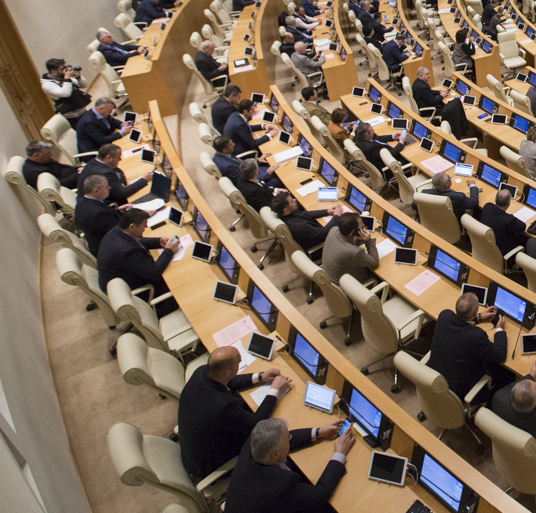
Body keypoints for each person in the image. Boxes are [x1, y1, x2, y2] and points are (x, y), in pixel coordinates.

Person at [177, 346, 295, 479]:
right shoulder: (223, 407)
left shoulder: (202, 372)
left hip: (195, 444)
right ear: (227, 372)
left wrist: (260, 376)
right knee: (275, 436)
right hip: (210, 464)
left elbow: (228, 381)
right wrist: (274, 390)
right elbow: (257, 423)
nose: (240, 361)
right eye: (238, 361)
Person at [224, 417, 353, 513]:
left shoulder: (253, 444)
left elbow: (281, 440)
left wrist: (318, 432)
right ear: (275, 455)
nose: (291, 437)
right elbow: (319, 494)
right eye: (287, 437)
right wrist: (339, 454)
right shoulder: (280, 486)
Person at [96, 209, 179, 315]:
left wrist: (158, 242)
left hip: (120, 278)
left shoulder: (118, 231)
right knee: (176, 280)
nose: (146, 227)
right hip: (135, 290)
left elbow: (137, 241)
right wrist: (169, 251)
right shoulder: (126, 251)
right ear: (132, 227)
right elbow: (154, 271)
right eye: (144, 224)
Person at [428, 292, 507, 399]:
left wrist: (479, 317)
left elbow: (460, 321)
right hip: (457, 390)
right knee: (505, 373)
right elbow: (500, 355)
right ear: (475, 313)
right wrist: (499, 328)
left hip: (433, 376)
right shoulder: (477, 336)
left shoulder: (444, 315)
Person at [78, 144, 153, 206]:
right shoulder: (105, 173)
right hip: (100, 204)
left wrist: (121, 183)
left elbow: (118, 171)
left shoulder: (94, 161)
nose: (120, 159)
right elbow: (123, 193)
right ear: (109, 157)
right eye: (118, 157)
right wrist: (144, 180)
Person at [271, 192, 344, 253]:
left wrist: (327, 211)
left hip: (315, 235)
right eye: (291, 201)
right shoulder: (299, 226)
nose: (295, 200)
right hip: (319, 249)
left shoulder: (285, 215)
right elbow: (323, 233)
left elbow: (305, 214)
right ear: (286, 210)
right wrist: (336, 216)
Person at [322, 213, 378, 285]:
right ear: (352, 232)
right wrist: (368, 240)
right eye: (361, 223)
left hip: (331, 279)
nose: (363, 225)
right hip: (351, 286)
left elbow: (348, 243)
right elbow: (374, 261)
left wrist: (360, 238)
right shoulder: (354, 252)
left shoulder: (333, 230)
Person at [75, 175, 123, 255]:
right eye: (106, 187)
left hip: (96, 243)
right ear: (96, 191)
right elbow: (121, 232)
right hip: (111, 250)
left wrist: (118, 211)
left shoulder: (81, 202)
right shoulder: (99, 214)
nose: (109, 188)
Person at [41, 58, 91, 127]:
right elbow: (65, 93)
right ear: (54, 71)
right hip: (72, 117)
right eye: (62, 69)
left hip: (82, 110)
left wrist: (78, 77)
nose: (64, 70)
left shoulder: (61, 77)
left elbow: (83, 85)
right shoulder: (47, 85)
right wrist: (67, 77)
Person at [479, 188, 529, 256]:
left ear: (495, 200)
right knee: (524, 239)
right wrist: (512, 216)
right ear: (508, 204)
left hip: (484, 243)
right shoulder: (509, 220)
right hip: (500, 250)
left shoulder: (487, 206)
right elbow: (523, 226)